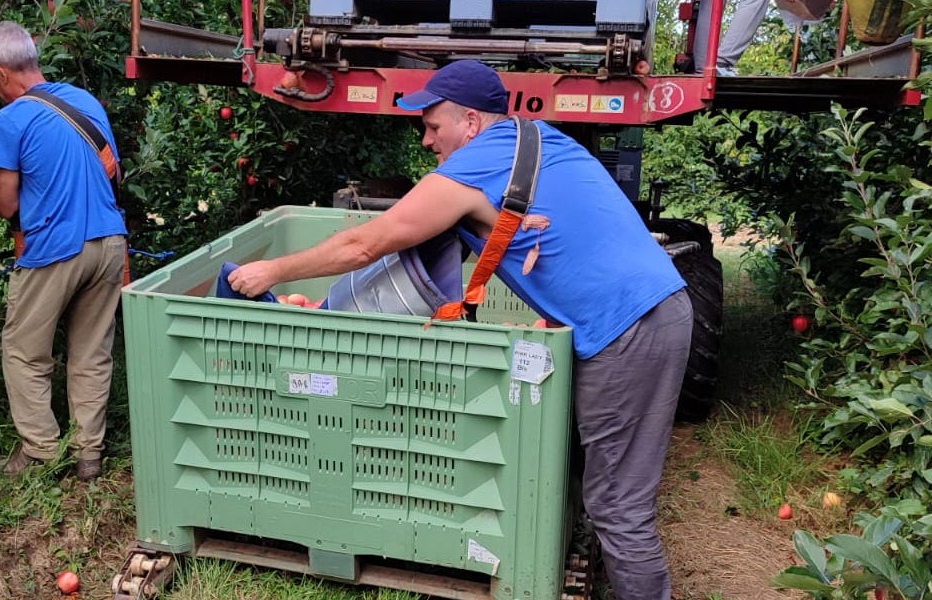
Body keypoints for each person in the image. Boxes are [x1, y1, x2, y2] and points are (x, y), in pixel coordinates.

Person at [228, 60, 693, 600]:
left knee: (618, 503)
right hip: (651, 308)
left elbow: (367, 244)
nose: (426, 140)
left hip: (628, 329)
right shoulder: (538, 138)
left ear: (471, 122)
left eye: (433, 126)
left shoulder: (476, 164)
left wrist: (272, 271)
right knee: (610, 487)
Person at [0, 21, 127, 482]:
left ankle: (41, 451)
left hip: (55, 249)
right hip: (108, 244)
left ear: (1, 73)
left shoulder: (10, 120)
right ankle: (88, 456)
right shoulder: (84, 102)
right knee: (91, 352)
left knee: (24, 352)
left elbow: (5, 205)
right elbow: (111, 170)